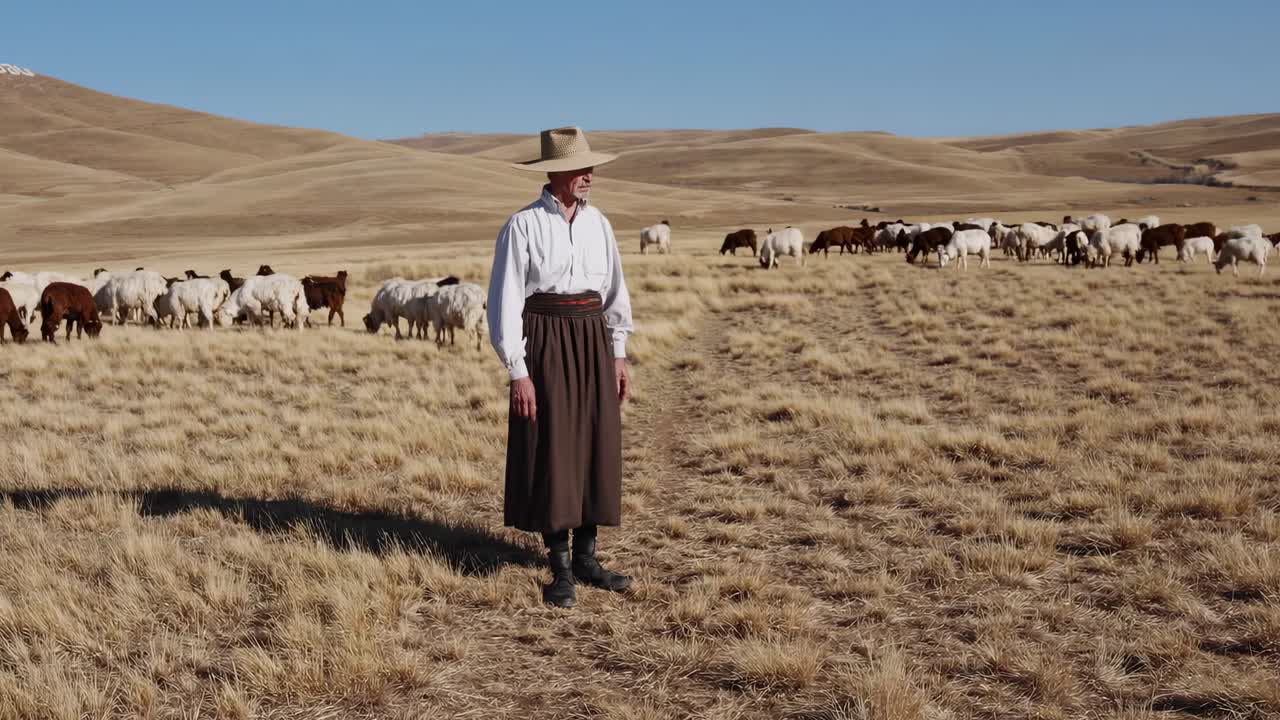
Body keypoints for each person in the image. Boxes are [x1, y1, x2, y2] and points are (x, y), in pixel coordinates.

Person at [487, 126, 634, 608]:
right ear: (555, 173)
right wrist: (518, 369)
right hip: (546, 339)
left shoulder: (600, 225)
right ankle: (561, 567)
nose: (589, 176)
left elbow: (614, 292)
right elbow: (505, 300)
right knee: (553, 447)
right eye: (580, 168)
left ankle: (589, 558)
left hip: (592, 337)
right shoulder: (523, 225)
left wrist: (618, 351)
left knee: (595, 441)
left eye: (591, 167)